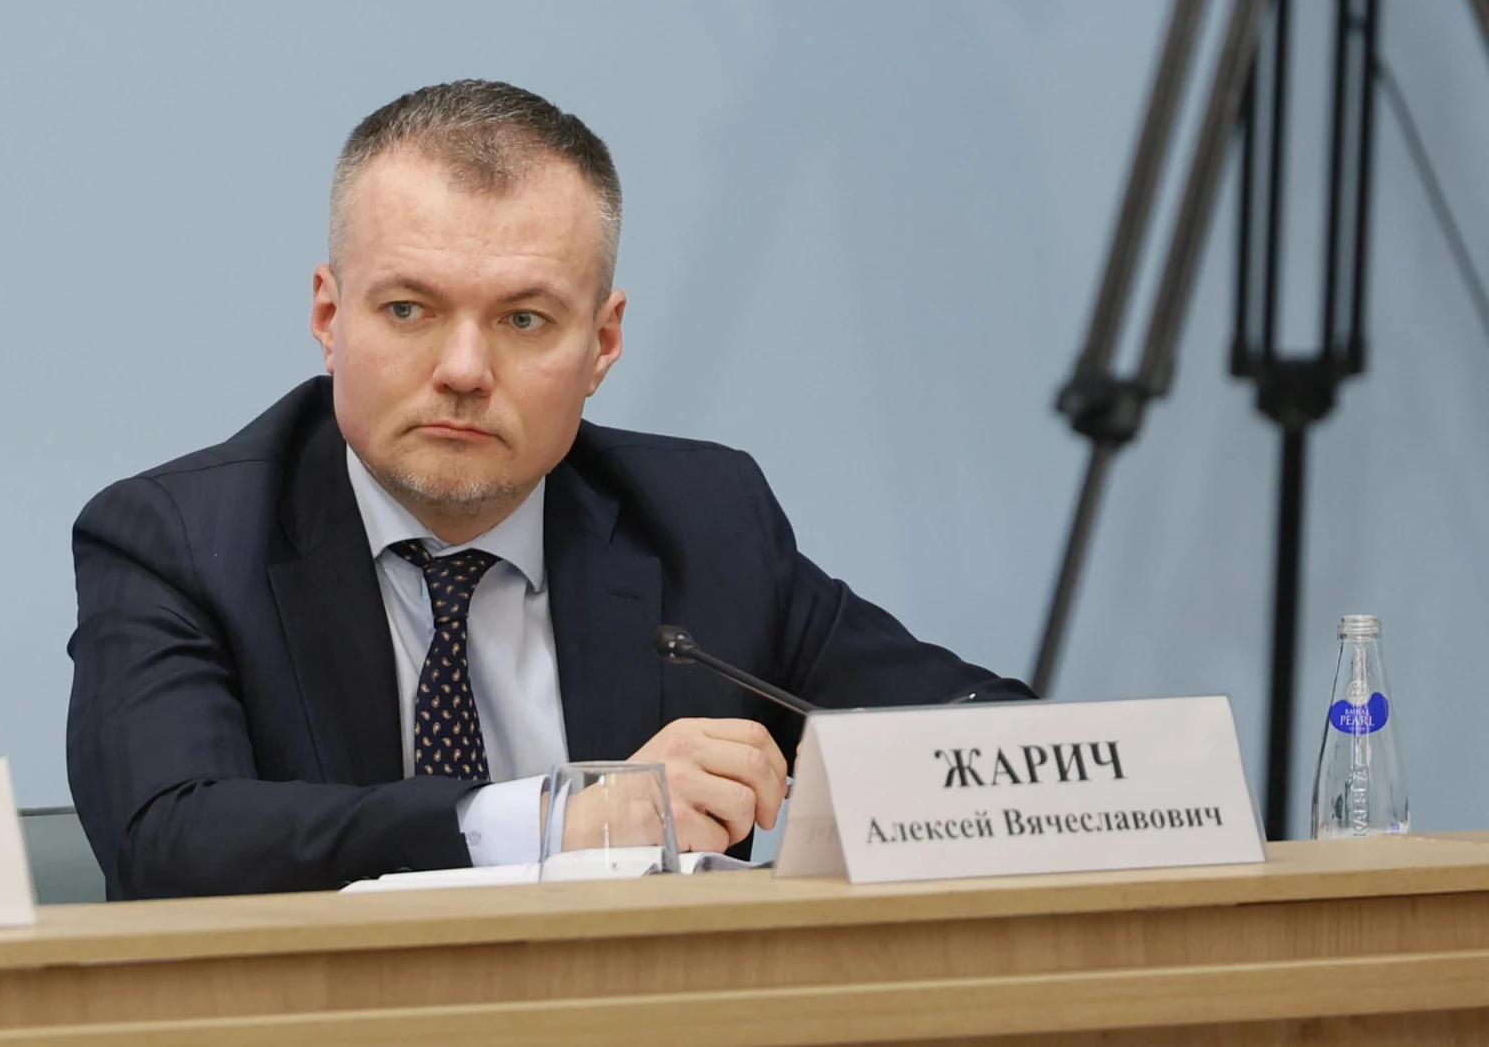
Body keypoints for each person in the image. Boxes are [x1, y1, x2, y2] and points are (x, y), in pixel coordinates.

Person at [66, 80, 1030, 901]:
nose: (463, 368)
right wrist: (561, 818)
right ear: (329, 314)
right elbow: (168, 839)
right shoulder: (180, 539)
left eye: (524, 319)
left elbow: (992, 746)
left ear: (602, 344)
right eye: (408, 308)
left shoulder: (706, 521)